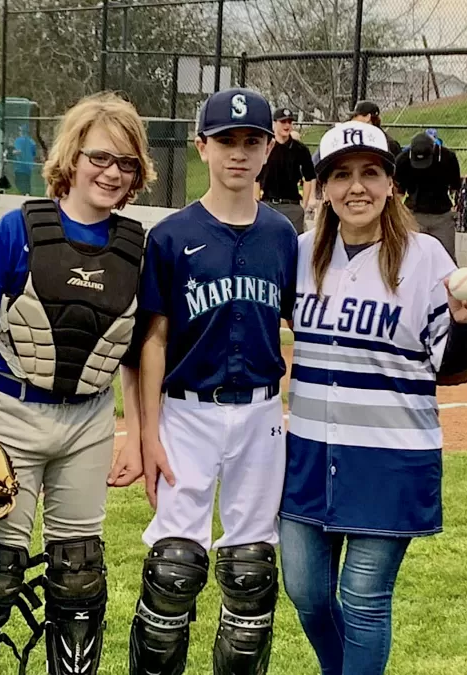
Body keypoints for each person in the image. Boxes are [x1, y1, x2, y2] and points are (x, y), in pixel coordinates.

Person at [0, 91, 154, 675]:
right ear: (72, 157)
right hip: (12, 414)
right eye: (101, 157)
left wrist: (137, 435)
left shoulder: (136, 248)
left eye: (126, 163)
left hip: (90, 421)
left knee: (79, 576)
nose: (112, 172)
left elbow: (133, 352)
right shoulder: (19, 229)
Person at [281, 120, 467, 675]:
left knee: (365, 599)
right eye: (341, 175)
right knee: (305, 590)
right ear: (323, 187)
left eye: (370, 173)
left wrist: (464, 322)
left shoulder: (425, 259)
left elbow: (450, 363)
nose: (356, 187)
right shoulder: (301, 255)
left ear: (391, 183)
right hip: (308, 452)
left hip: (390, 455)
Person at [128, 87, 297, 675]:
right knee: (174, 567)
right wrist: (146, 433)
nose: (239, 153)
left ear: (270, 147)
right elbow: (150, 341)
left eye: (252, 141)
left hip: (259, 414)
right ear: (202, 146)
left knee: (251, 568)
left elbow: (298, 326)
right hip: (186, 412)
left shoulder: (282, 237)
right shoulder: (172, 237)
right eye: (226, 140)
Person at [394, 131, 462, 261]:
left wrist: (456, 207)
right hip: (414, 214)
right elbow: (398, 192)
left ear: (434, 149)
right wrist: (400, 215)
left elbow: (455, 187)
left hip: (442, 215)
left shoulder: (448, 158)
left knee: (446, 257)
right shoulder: (403, 160)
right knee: (411, 257)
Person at [256, 106, 317, 233]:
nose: (287, 125)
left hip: (292, 205)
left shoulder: (300, 149)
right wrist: (256, 204)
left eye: (289, 122)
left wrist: (304, 204)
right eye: (283, 122)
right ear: (274, 123)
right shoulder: (265, 147)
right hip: (268, 203)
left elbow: (309, 177)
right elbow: (255, 179)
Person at [12, 125, 37, 194]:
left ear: (22, 132)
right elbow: (34, 154)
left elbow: (18, 151)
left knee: (19, 182)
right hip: (29, 167)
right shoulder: (32, 141)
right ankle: (27, 194)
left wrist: (12, 152)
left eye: (19, 130)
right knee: (27, 181)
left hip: (19, 166)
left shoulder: (18, 140)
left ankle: (23, 194)